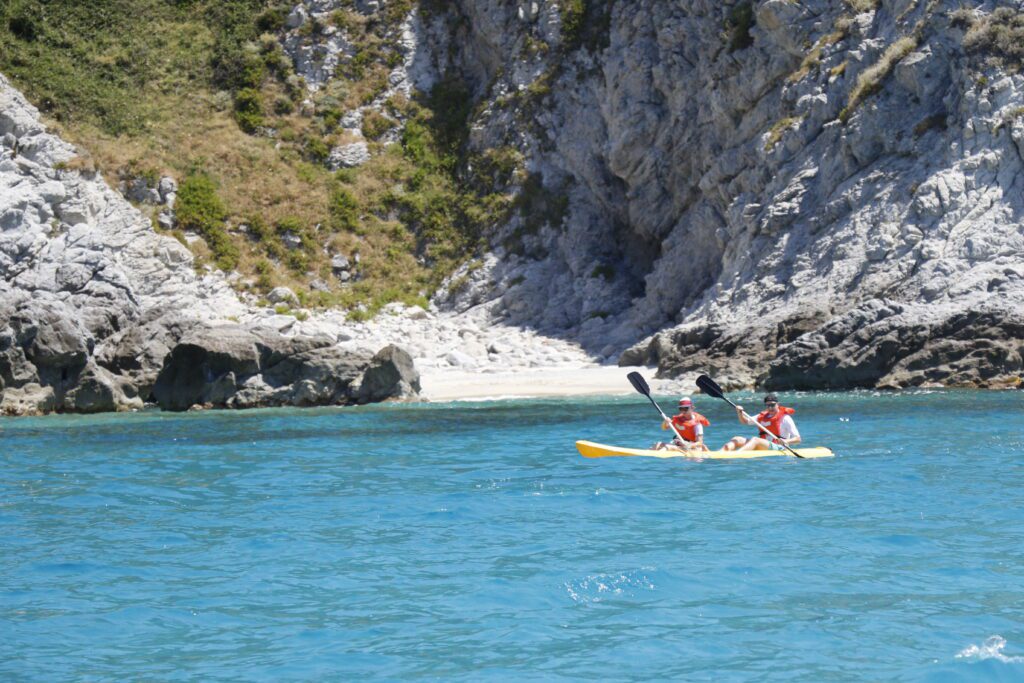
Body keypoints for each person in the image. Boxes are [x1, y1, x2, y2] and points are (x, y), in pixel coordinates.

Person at [720, 393, 801, 452]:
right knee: (736, 439)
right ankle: (720, 453)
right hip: (764, 445)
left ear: (777, 404)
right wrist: (739, 412)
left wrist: (786, 441)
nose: (770, 408)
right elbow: (744, 421)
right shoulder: (762, 416)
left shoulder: (785, 418)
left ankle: (737, 455)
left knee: (755, 440)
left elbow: (798, 439)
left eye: (772, 405)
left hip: (780, 447)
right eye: (768, 405)